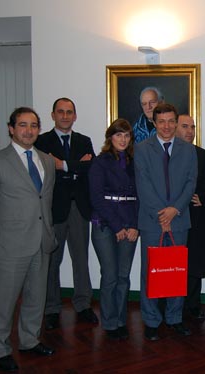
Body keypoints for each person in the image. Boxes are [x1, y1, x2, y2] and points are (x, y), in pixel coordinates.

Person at [0, 107, 56, 372]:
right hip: (11, 244)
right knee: (5, 300)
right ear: (11, 128)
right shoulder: (1, 160)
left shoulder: (46, 160)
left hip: (42, 240)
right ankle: (0, 348)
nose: (29, 130)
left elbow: (45, 200)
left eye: (34, 125)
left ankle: (30, 340)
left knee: (36, 296)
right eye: (23, 125)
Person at [134, 103, 197, 339]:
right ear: (154, 123)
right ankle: (151, 321)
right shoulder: (141, 149)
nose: (167, 126)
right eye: (162, 121)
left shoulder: (188, 150)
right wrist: (162, 214)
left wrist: (174, 210)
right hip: (152, 222)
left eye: (171, 121)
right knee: (150, 272)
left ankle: (174, 318)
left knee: (176, 271)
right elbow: (143, 185)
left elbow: (191, 183)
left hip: (179, 220)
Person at [35, 97, 99, 330]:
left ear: (75, 116)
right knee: (53, 260)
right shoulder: (41, 141)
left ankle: (83, 305)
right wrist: (75, 166)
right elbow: (44, 169)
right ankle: (52, 307)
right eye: (60, 112)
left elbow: (89, 169)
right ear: (52, 115)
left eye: (69, 112)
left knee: (81, 258)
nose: (65, 116)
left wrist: (62, 165)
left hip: (80, 208)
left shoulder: (84, 140)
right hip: (54, 208)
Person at [88, 119, 139, 340]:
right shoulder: (100, 162)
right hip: (105, 224)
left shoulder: (135, 162)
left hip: (130, 225)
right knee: (109, 275)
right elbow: (97, 198)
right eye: (119, 135)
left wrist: (135, 225)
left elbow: (141, 196)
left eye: (127, 135)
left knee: (123, 275)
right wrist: (118, 226)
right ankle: (109, 323)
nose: (123, 139)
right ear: (111, 137)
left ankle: (120, 320)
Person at [175, 114, 205, 320]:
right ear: (174, 128)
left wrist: (204, 198)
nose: (189, 131)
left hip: (196, 217)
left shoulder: (204, 155)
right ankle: (172, 306)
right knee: (172, 264)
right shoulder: (166, 153)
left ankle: (193, 304)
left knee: (193, 264)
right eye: (185, 126)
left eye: (192, 126)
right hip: (172, 218)